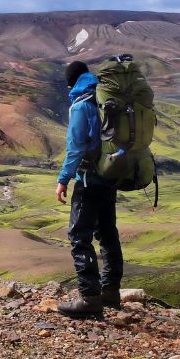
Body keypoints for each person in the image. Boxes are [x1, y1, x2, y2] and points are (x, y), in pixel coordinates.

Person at [54, 61, 123, 318]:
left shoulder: (82, 104)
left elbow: (76, 147)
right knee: (107, 233)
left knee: (79, 236)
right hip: (110, 176)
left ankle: (89, 299)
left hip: (89, 180)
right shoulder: (104, 98)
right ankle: (110, 291)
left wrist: (63, 180)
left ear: (71, 82)